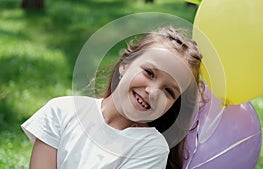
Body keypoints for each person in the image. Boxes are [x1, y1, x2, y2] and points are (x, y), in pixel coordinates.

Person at [21, 26, 203, 169]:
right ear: (125, 64)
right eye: (149, 73)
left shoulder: (151, 148)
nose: (153, 92)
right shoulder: (61, 111)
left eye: (169, 91)